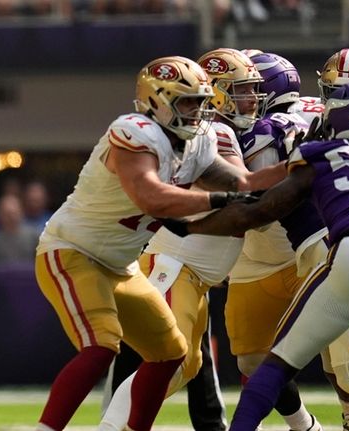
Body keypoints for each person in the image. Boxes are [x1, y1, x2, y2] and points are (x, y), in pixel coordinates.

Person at [32, 55, 283, 431]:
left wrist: (305, 165)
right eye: (186, 101)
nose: (195, 111)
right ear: (156, 99)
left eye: (200, 101)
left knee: (170, 354)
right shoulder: (132, 131)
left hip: (121, 265)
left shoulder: (197, 143)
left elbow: (244, 184)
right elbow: (153, 198)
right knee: (101, 346)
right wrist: (218, 200)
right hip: (73, 251)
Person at [160, 81, 349, 430]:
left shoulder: (317, 151)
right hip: (326, 253)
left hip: (347, 252)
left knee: (282, 363)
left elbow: (258, 211)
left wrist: (190, 227)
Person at [98, 47, 264, 431]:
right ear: (216, 94)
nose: (251, 99)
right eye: (240, 91)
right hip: (176, 266)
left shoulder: (203, 132)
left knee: (185, 365)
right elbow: (248, 191)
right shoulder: (215, 131)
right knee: (166, 361)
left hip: (191, 273)